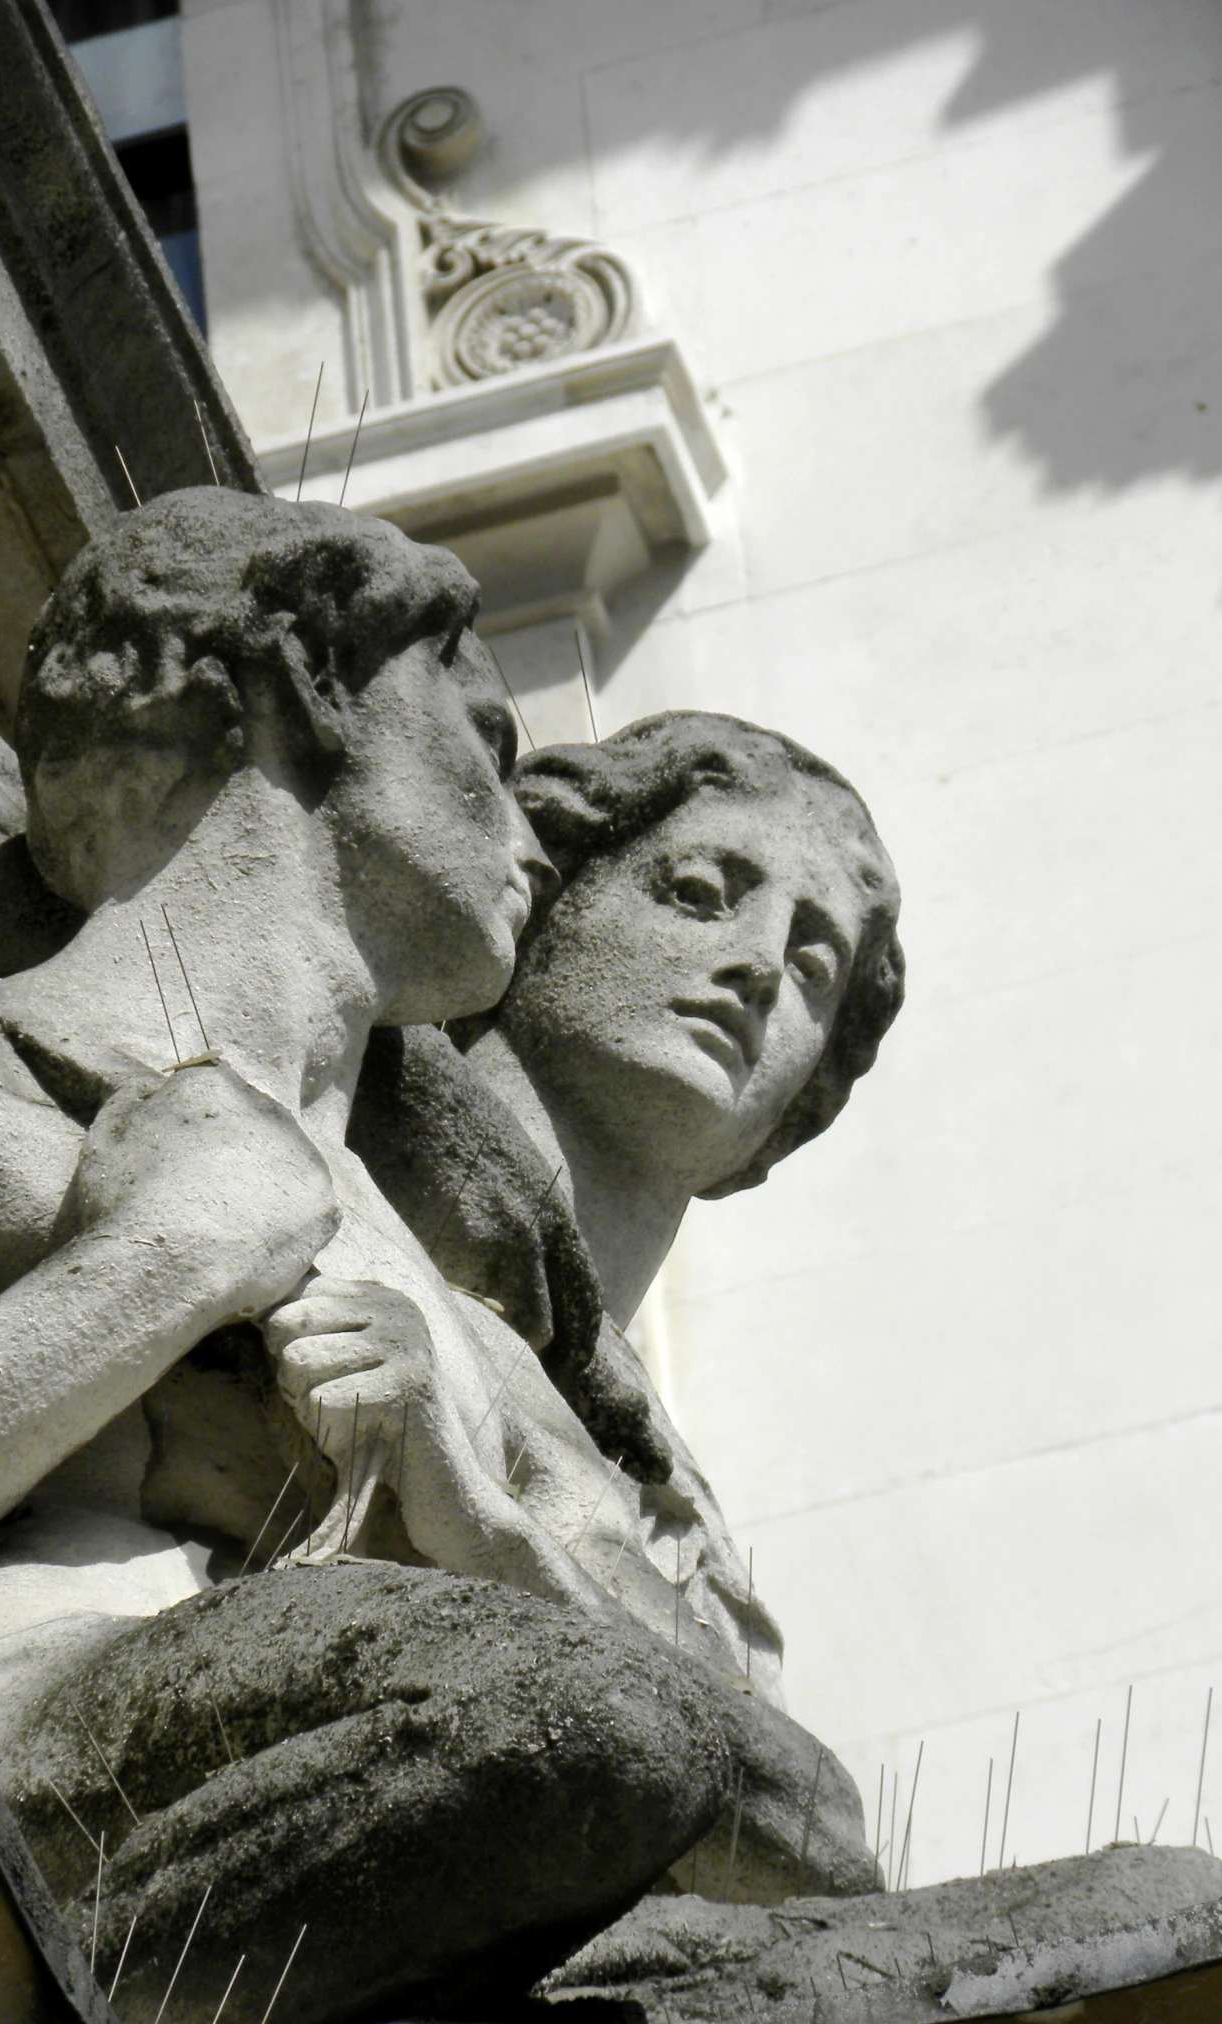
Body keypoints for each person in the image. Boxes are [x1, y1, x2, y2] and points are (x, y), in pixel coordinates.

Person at [0, 494, 849, 2024]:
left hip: (390, 1783)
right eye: (483, 739)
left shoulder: (458, 1330)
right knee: (583, 1723)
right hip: (16, 1777)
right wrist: (163, 1264)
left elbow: (814, 1832)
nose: (523, 827)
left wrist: (474, 1515)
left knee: (1081, 1925)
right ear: (303, 686)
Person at [348, 710, 905, 1894]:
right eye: (701, 891)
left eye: (814, 968)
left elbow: (808, 1835)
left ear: (794, 1107)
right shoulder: (340, 1133)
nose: (759, 964)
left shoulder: (675, 1504)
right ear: (541, 896)